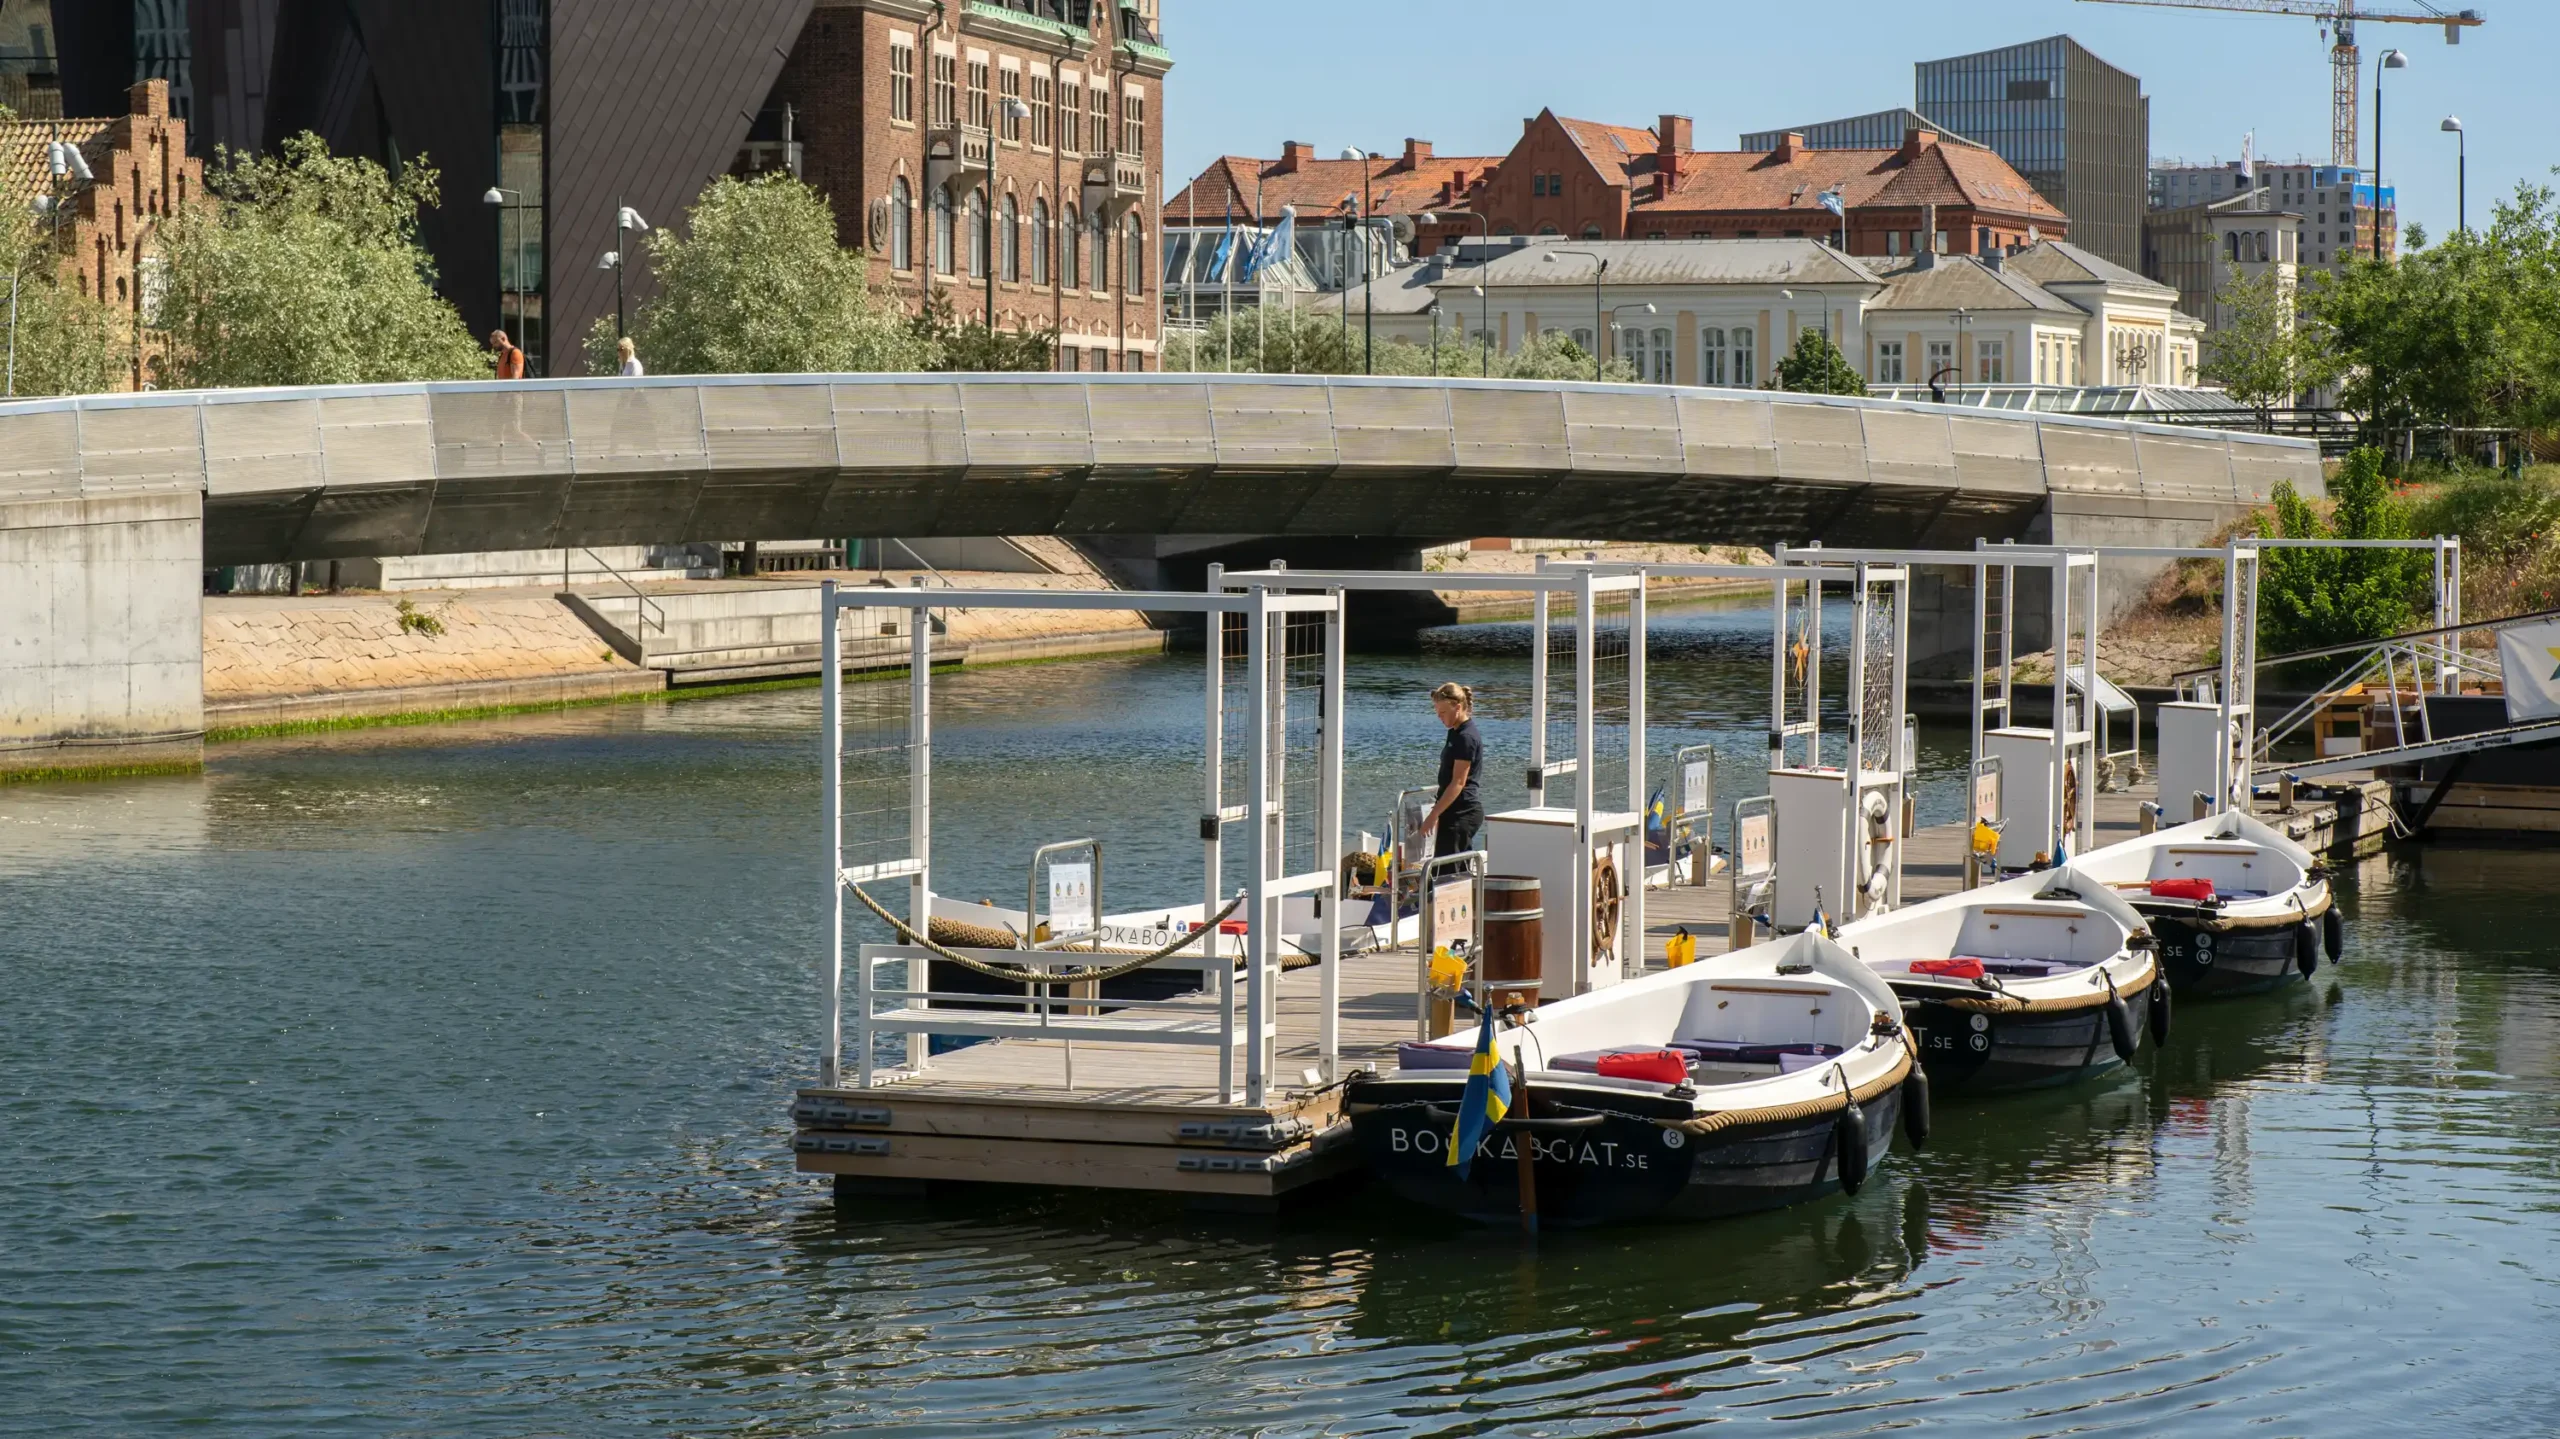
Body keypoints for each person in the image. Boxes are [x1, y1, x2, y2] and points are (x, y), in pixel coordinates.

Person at [1422, 681, 1484, 859]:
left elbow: (1458, 782)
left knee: (1450, 872)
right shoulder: (1455, 732)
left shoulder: (1466, 737)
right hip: (1451, 810)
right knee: (1444, 867)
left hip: (1463, 812)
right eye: (1437, 712)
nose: (1439, 717)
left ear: (1457, 707)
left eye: (1443, 712)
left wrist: (1433, 815)